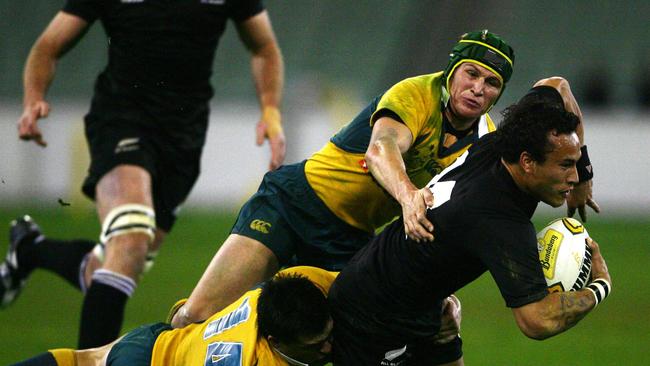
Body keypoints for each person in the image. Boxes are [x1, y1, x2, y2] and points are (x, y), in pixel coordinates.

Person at [171, 29, 524, 326]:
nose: (479, 88)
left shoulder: (483, 138)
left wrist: (579, 174)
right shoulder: (416, 93)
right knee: (200, 315)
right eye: (471, 74)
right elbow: (381, 148)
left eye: (492, 82)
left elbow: (466, 211)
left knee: (315, 339)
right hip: (293, 204)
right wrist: (407, 195)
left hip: (347, 243)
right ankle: (145, 350)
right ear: (452, 72)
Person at [1, 0, 284, 348]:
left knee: (113, 266)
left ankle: (31, 249)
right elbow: (49, 45)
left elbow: (264, 46)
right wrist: (33, 99)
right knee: (131, 239)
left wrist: (270, 108)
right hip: (120, 121)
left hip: (184, 141)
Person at [327, 85, 612, 365]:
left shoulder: (507, 141)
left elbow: (555, 85)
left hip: (424, 304)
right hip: (371, 317)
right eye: (565, 165)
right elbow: (537, 320)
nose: (574, 177)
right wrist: (600, 286)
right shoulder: (499, 220)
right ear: (527, 162)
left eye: (575, 165)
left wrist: (585, 171)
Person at [10, 266, 461, 366]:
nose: (328, 345)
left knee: (83, 360)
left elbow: (367, 283)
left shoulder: (294, 284)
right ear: (277, 343)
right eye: (316, 345)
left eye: (327, 335)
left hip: (160, 340)